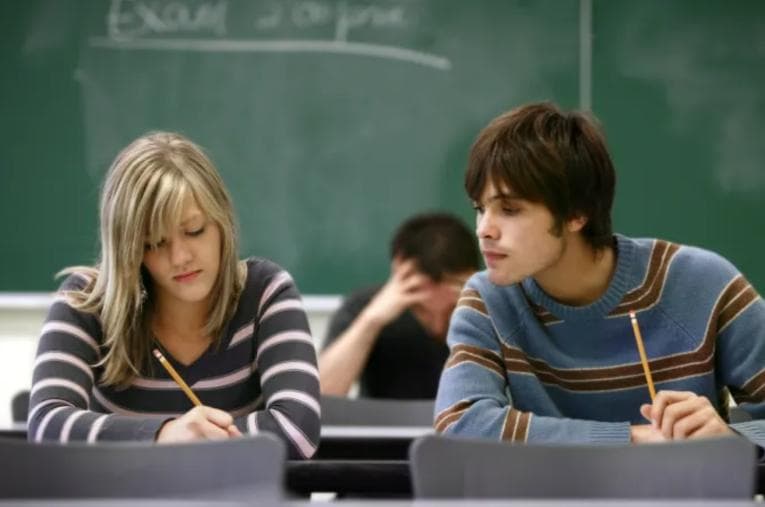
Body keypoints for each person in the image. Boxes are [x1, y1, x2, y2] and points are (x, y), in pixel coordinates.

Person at [435, 102, 765, 446]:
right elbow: (460, 423)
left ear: (577, 213)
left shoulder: (702, 283)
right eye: (480, 208)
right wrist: (633, 439)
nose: (483, 230)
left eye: (510, 209)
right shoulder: (489, 299)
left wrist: (729, 439)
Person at [28, 132, 320, 458]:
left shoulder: (265, 292)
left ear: (222, 220)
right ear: (130, 250)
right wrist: (166, 435)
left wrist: (190, 440)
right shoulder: (88, 300)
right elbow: (45, 426)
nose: (180, 257)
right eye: (153, 243)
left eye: (194, 230)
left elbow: (297, 431)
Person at [319, 213, 480, 399]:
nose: (437, 327)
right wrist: (371, 321)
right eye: (422, 310)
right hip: (381, 427)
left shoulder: (488, 308)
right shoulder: (364, 306)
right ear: (400, 269)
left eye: (451, 311)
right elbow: (321, 397)